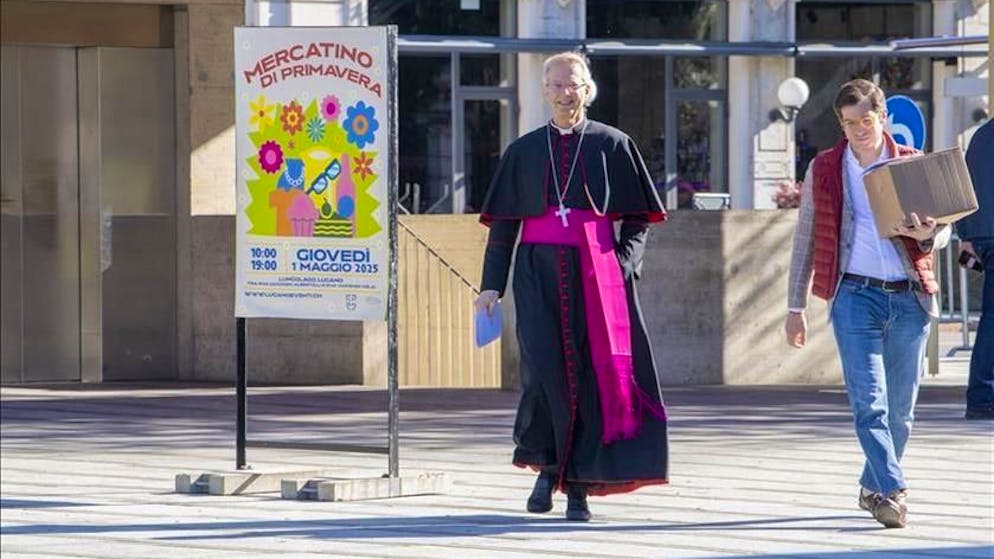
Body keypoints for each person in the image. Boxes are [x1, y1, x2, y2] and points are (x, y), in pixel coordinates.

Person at [474, 52, 669, 522]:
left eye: (574, 84)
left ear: (588, 89)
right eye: (557, 85)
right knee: (542, 377)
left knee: (590, 375)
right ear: (545, 91)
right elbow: (503, 228)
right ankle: (546, 467)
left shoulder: (613, 144)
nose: (566, 93)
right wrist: (490, 287)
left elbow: (639, 217)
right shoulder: (523, 151)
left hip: (598, 275)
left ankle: (577, 485)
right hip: (536, 272)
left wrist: (623, 263)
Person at [784, 79, 950, 529]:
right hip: (853, 295)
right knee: (869, 402)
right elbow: (805, 240)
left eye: (867, 120)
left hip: (909, 297)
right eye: (849, 122)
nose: (859, 129)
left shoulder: (910, 163)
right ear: (841, 124)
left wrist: (928, 234)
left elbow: (944, 228)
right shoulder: (825, 169)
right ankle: (893, 489)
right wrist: (794, 306)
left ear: (882, 118)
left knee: (900, 410)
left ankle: (872, 486)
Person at [957, 118, 994, 420]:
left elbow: (962, 189)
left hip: (983, 236)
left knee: (991, 318)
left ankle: (981, 396)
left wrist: (966, 234)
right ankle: (982, 395)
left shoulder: (981, 136)